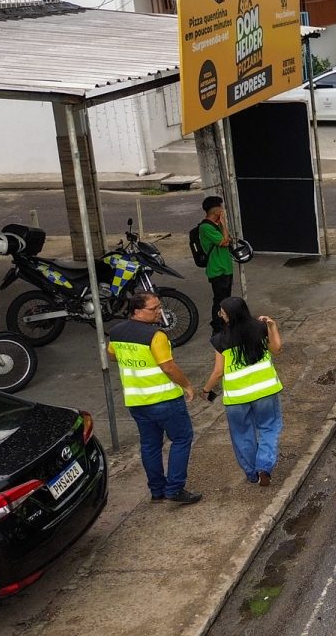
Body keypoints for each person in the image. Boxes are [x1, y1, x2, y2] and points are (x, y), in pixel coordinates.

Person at [109, 291, 200, 504]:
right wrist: (186, 385)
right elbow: (168, 367)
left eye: (159, 306)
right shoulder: (156, 336)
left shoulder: (116, 332)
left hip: (137, 402)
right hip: (165, 400)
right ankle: (175, 488)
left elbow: (112, 355)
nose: (160, 312)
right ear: (137, 311)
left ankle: (157, 490)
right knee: (181, 439)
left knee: (150, 445)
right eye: (154, 309)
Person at [201, 296, 283, 487]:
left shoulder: (220, 340)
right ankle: (264, 465)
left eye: (221, 312)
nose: (219, 314)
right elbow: (277, 349)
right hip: (265, 390)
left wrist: (206, 390)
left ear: (227, 316)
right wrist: (272, 326)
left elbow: (218, 372)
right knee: (269, 428)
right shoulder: (259, 329)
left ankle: (252, 474)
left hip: (237, 397)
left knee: (242, 434)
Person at [198, 195, 235, 335]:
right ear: (216, 210)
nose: (223, 210)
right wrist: (224, 223)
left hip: (225, 267)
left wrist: (222, 226)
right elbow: (225, 242)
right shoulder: (206, 227)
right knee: (219, 300)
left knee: (226, 298)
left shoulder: (216, 225)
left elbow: (228, 239)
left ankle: (225, 323)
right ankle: (218, 326)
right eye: (221, 207)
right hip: (217, 269)